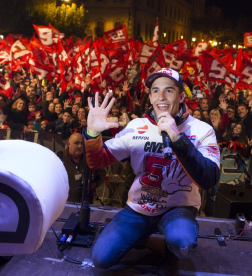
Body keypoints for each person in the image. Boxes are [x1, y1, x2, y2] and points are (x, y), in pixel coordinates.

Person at [83, 68, 220, 275]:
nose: (161, 97)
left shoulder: (202, 130)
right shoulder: (137, 125)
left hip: (178, 208)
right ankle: (142, 233)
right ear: (150, 96)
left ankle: (170, 252)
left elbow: (209, 180)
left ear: (182, 96)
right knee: (101, 259)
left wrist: (177, 139)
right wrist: (92, 133)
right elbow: (97, 160)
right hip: (139, 208)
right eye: (155, 91)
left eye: (169, 91)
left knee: (182, 242)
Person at [58, 133, 106, 203]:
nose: (80, 146)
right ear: (69, 144)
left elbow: (101, 174)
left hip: (85, 203)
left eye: (82, 143)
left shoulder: (90, 159)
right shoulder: (59, 159)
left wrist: (94, 183)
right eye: (76, 143)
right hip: (64, 203)